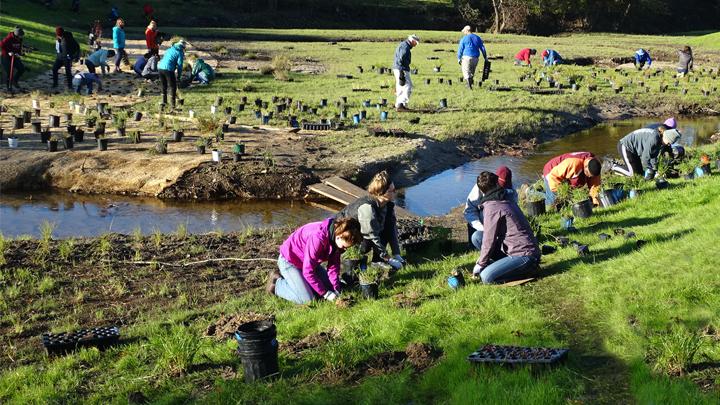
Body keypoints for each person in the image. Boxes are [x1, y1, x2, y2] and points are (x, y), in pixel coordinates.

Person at [268, 217, 362, 304]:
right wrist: (326, 294)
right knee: (308, 299)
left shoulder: (335, 239)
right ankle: (277, 284)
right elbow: (308, 271)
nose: (344, 250)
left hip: (309, 263)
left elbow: (333, 266)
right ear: (339, 236)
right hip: (290, 262)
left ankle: (301, 283)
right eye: (344, 247)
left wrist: (336, 289)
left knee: (329, 287)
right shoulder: (318, 238)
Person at [472, 171, 540, 284]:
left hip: (525, 255)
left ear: (482, 191)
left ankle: (527, 271)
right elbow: (488, 238)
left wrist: (480, 264)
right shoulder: (506, 196)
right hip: (513, 248)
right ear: (497, 183)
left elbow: (489, 239)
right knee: (477, 236)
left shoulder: (492, 207)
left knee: (486, 277)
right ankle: (504, 267)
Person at [335, 170, 405, 270]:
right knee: (363, 246)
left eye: (395, 189)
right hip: (347, 234)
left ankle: (377, 261)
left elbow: (391, 228)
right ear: (382, 193)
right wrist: (388, 258)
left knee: (385, 229)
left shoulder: (388, 205)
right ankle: (351, 268)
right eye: (392, 191)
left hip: (365, 234)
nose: (395, 192)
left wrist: (396, 253)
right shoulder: (367, 208)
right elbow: (372, 236)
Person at [464, 166, 516, 251]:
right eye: (501, 187)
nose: (503, 190)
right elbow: (469, 211)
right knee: (476, 237)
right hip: (482, 223)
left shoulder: (510, 190)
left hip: (500, 225)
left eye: (505, 187)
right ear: (495, 181)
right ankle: (476, 247)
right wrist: (483, 228)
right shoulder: (481, 187)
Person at [611, 126, 681, 178]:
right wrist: (650, 169)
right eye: (669, 142)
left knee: (639, 175)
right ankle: (613, 166)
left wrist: (655, 169)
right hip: (625, 146)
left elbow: (653, 156)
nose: (669, 145)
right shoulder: (654, 139)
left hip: (634, 151)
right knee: (632, 174)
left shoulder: (660, 141)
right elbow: (645, 157)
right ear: (666, 137)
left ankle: (625, 168)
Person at [157, 39, 187, 110]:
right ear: (182, 47)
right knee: (173, 87)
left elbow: (166, 59)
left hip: (160, 67)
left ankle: (164, 102)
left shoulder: (169, 49)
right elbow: (180, 65)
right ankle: (172, 106)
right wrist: (179, 76)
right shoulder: (180, 52)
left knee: (164, 85)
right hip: (168, 69)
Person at [392, 34, 419, 111]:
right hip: (402, 69)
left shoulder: (403, 44)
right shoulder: (405, 47)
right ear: (412, 41)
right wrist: (401, 71)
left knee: (400, 87)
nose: (416, 45)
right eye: (416, 43)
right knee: (408, 86)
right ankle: (401, 104)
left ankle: (398, 104)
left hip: (397, 68)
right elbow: (401, 58)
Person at [457, 25, 487, 90]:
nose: (464, 33)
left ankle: (469, 86)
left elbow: (460, 49)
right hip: (475, 58)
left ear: (467, 31)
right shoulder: (477, 38)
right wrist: (485, 57)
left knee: (466, 71)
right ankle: (470, 84)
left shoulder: (464, 38)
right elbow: (482, 48)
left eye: (464, 31)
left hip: (466, 57)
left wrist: (459, 58)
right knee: (472, 72)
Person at [1, 27, 25, 91]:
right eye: (20, 36)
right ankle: (9, 87)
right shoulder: (8, 38)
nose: (21, 37)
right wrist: (8, 52)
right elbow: (1, 45)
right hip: (6, 57)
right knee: (9, 72)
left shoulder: (20, 39)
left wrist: (19, 53)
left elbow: (19, 47)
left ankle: (15, 81)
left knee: (22, 68)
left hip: (14, 56)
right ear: (17, 35)